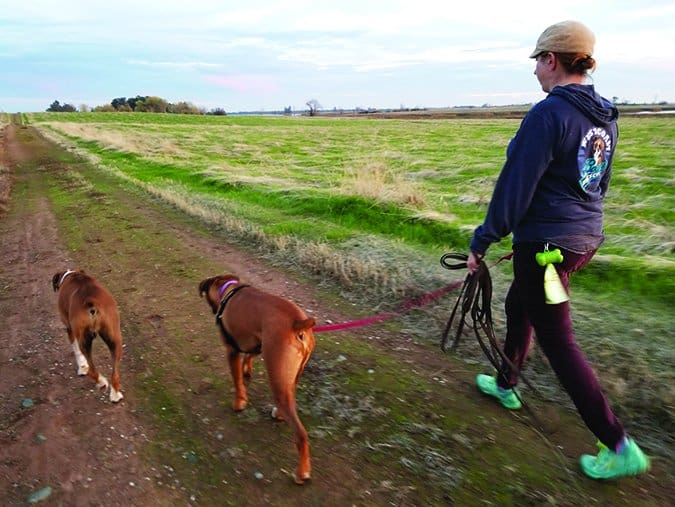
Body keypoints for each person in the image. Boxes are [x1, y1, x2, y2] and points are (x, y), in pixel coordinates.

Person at [466, 20, 650, 480]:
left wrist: (482, 242)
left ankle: (618, 443)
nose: (534, 73)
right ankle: (508, 383)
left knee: (559, 341)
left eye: (537, 62)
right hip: (582, 239)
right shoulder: (604, 114)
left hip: (548, 246)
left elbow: (514, 187)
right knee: (519, 300)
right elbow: (598, 184)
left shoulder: (548, 114)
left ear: (552, 60)